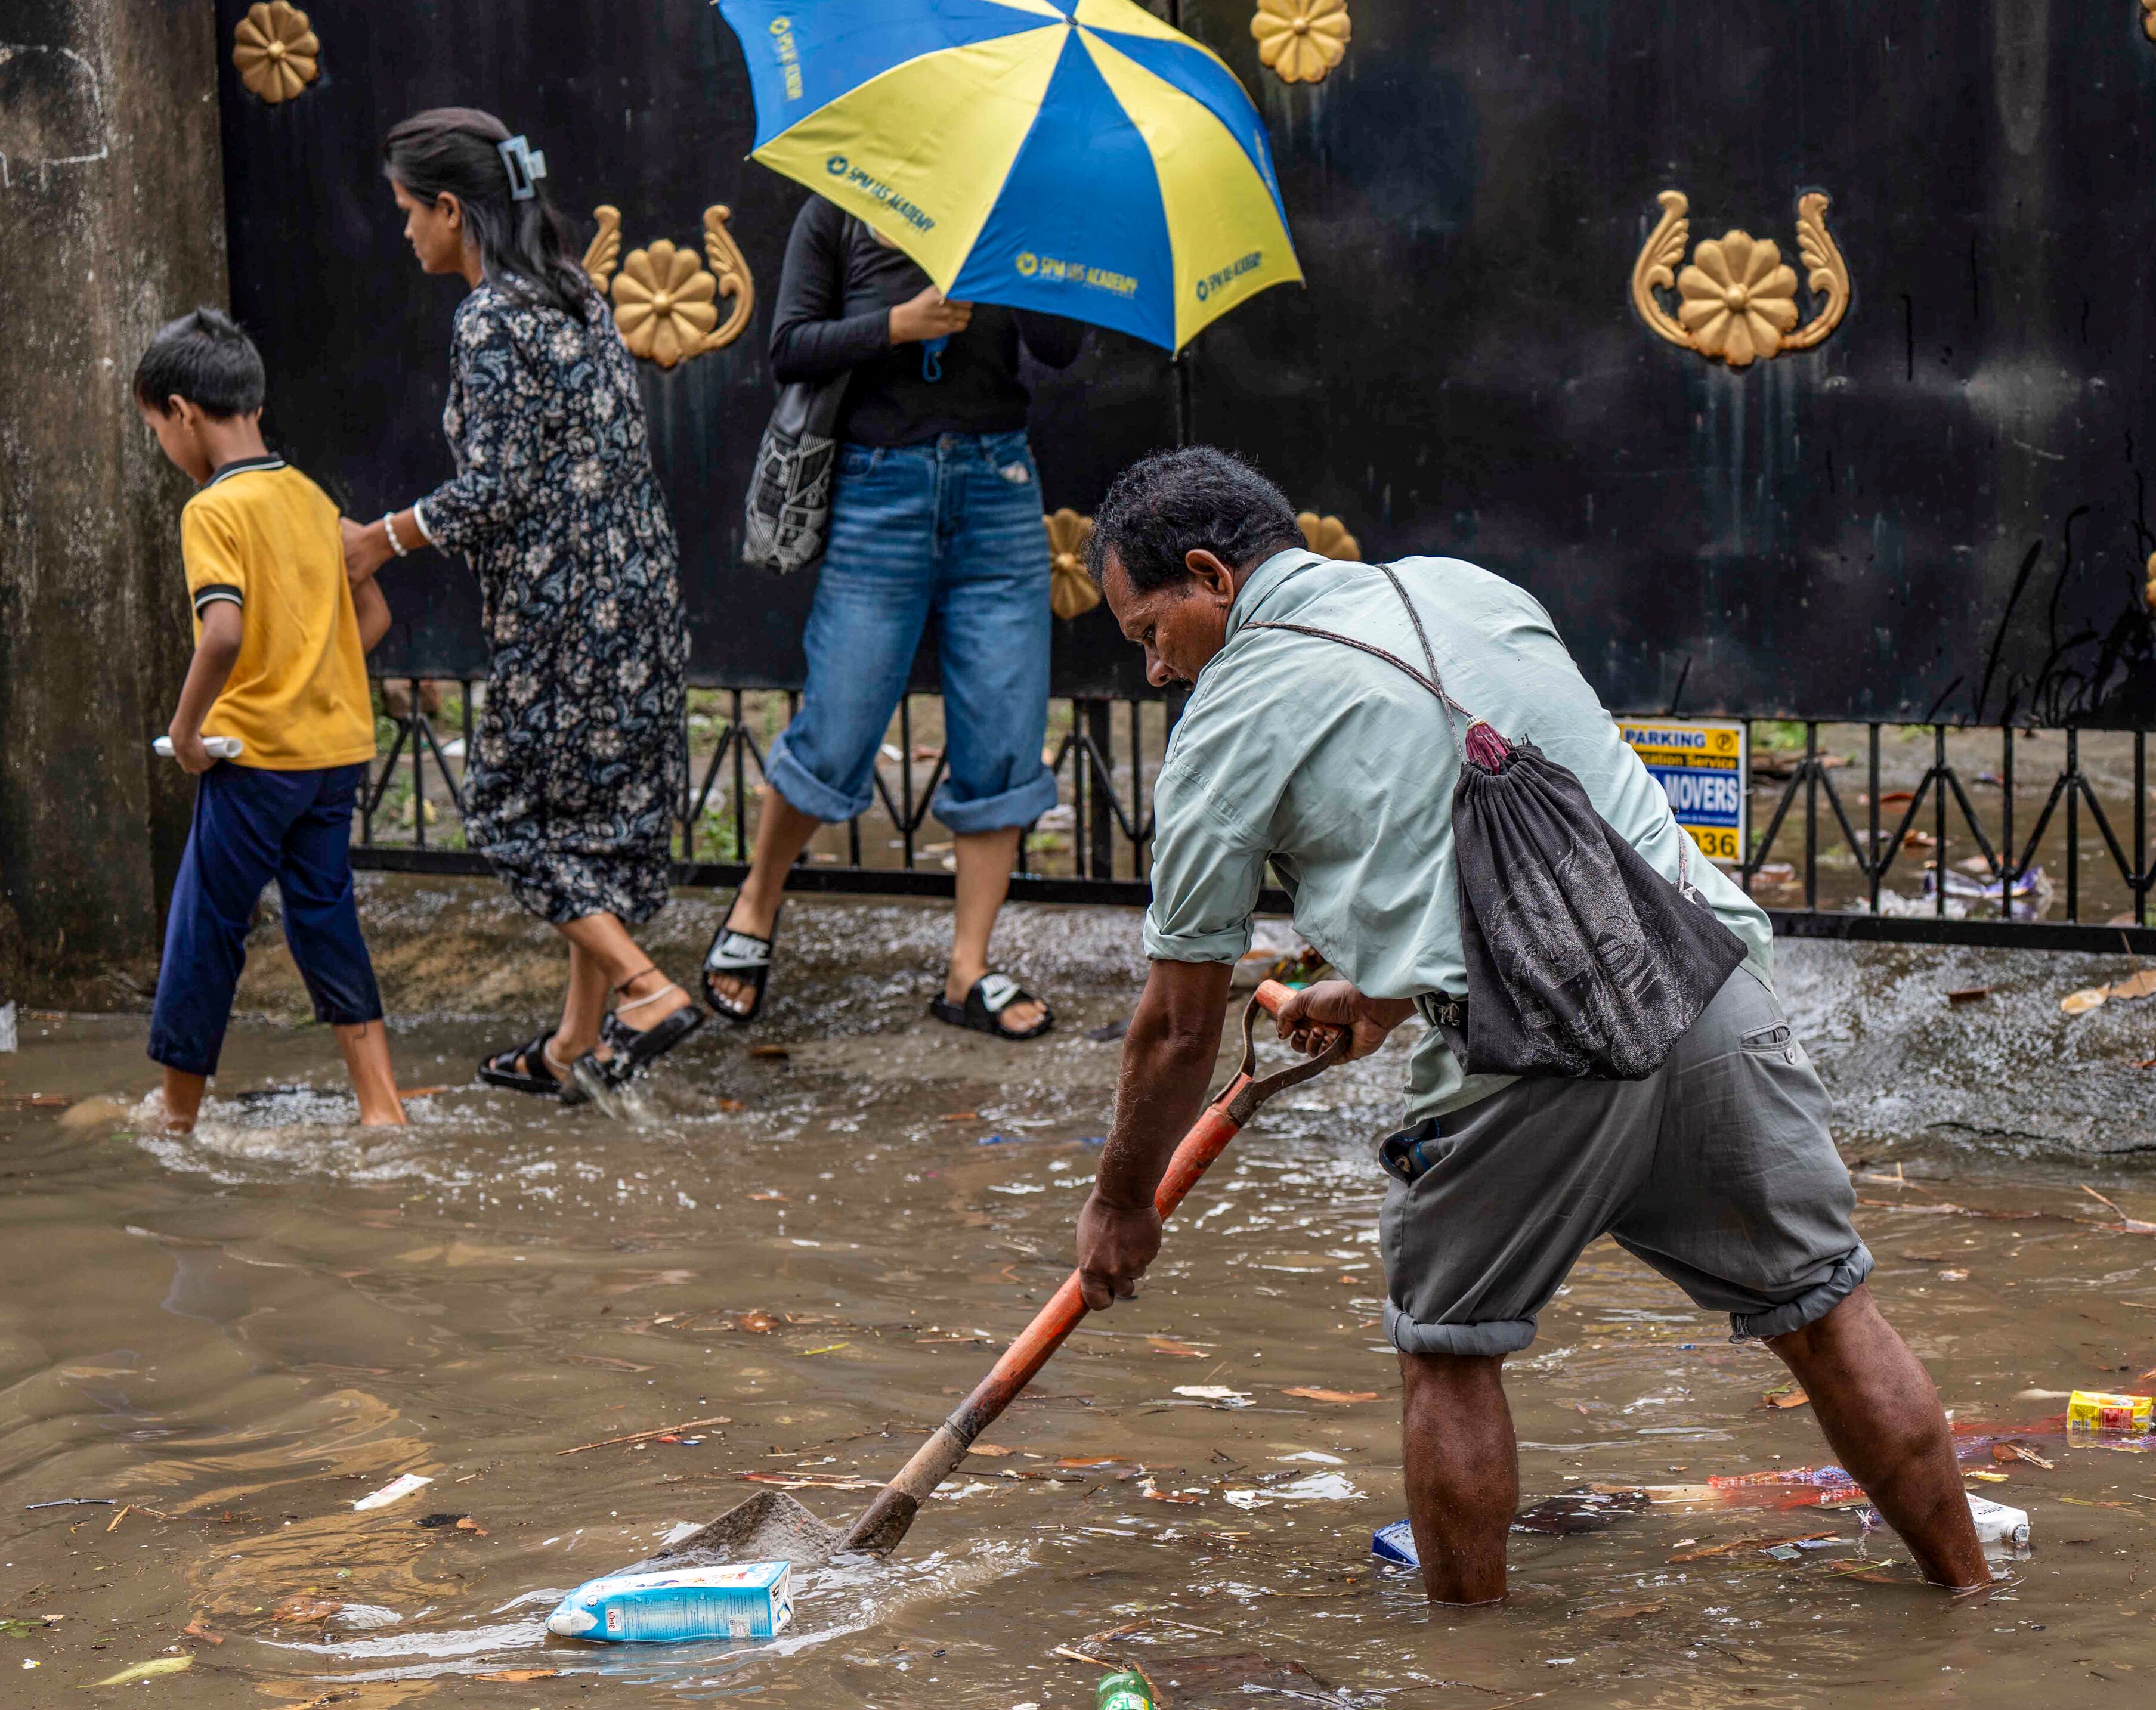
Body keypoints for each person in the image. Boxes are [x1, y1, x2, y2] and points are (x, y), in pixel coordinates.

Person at [1069, 447, 1990, 1603]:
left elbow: (1173, 1027)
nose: (1155, 671)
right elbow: (1543, 841)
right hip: (1712, 994)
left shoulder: (1226, 720)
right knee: (1827, 1314)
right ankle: (1971, 1603)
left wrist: (1118, 1203)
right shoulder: (1469, 590)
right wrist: (1384, 994)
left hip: (1528, 1065)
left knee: (1445, 1348)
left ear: (1212, 577)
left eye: (1152, 632)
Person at [338, 109, 701, 1106]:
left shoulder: (492, 318)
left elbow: (496, 489)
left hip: (564, 613)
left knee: (505, 814)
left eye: (410, 213)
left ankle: (647, 991)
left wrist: (382, 536)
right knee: (588, 825)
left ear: (453, 210)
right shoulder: (577, 292)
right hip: (639, 597)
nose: (406, 232)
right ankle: (573, 1045)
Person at [696, 197, 1085, 1039]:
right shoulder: (838, 209)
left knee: (1004, 732)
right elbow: (789, 348)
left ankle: (968, 969)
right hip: (880, 491)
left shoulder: (1018, 206)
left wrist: (1013, 255)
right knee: (837, 725)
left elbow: (1060, 347)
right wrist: (898, 325)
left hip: (999, 489)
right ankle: (756, 907)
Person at [135, 309, 407, 1135]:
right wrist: (311, 676)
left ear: (181, 412)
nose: (164, 447)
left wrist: (187, 736)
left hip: (253, 760)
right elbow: (376, 618)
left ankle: (176, 1116)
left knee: (205, 925)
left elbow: (222, 633)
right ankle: (381, 1106)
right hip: (334, 754)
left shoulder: (212, 512)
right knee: (325, 918)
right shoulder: (311, 496)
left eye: (157, 430)